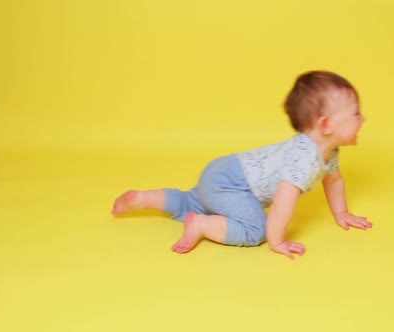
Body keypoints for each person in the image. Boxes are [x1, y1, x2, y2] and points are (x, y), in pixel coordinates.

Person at [111, 70, 373, 259]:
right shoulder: (303, 159)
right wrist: (277, 240)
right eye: (356, 113)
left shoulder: (330, 151)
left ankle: (143, 198)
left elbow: (333, 179)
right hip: (233, 185)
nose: (362, 119)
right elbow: (283, 201)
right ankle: (201, 225)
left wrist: (341, 213)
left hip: (222, 173)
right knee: (256, 229)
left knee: (190, 200)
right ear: (326, 125)